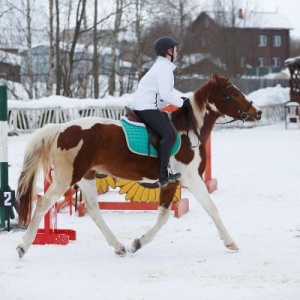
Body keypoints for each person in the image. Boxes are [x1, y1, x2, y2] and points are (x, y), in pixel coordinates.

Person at [131, 36, 188, 187]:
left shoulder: (163, 67)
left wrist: (179, 100)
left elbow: (163, 96)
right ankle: (163, 175)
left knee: (166, 126)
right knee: (168, 134)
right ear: (168, 51)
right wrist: (183, 103)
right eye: (175, 49)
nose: (177, 52)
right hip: (146, 106)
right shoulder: (163, 68)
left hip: (147, 105)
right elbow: (165, 95)